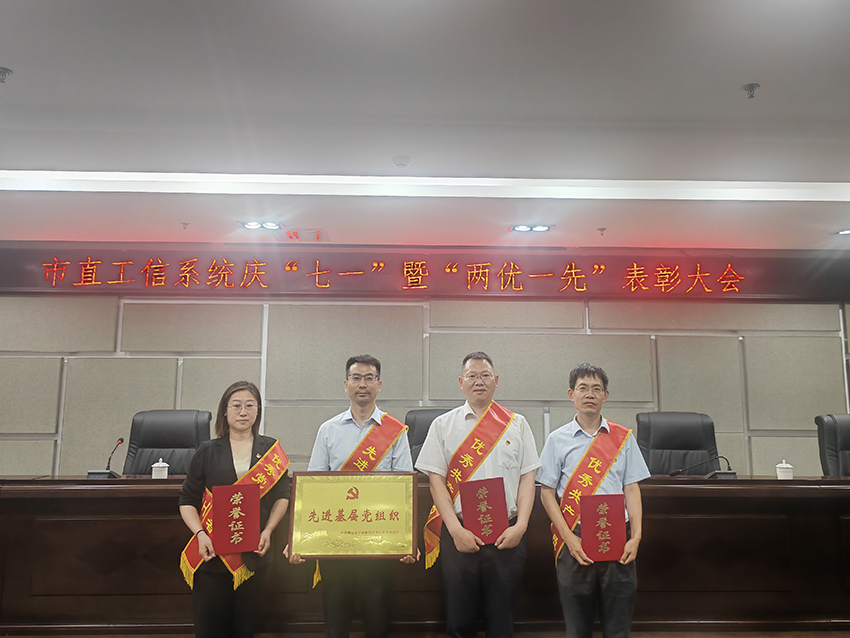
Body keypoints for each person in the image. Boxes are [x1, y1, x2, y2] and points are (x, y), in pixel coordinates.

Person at [286, 354, 416, 638]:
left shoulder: (395, 432)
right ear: (346, 385)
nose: (362, 384)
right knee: (336, 621)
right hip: (336, 542)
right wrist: (299, 539)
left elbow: (405, 488)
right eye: (356, 378)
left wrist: (408, 540)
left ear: (379, 385)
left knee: (377, 620)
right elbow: (313, 488)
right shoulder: (328, 430)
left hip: (379, 541)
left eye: (369, 378)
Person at [415, 351, 540, 638]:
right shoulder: (443, 425)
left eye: (485, 375)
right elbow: (436, 482)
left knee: (502, 623)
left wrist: (521, 526)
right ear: (461, 382)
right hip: (459, 535)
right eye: (472, 376)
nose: (479, 381)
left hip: (507, 535)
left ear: (496, 380)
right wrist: (455, 530)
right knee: (460, 622)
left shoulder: (517, 424)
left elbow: (527, 478)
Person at [536, 363, 650, 638]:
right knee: (577, 628)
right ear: (571, 394)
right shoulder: (557, 440)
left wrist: (636, 536)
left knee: (618, 627)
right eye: (583, 388)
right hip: (574, 539)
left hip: (618, 540)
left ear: (605, 396)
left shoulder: (623, 438)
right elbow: (546, 492)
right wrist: (568, 538)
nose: (590, 394)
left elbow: (631, 488)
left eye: (596, 389)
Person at [179, 380, 291, 638]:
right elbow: (187, 500)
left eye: (250, 406)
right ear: (225, 411)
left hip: (254, 556)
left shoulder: (271, 450)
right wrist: (200, 534)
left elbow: (282, 497)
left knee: (246, 629)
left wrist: (268, 530)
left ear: (258, 411)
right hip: (213, 556)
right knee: (211, 629)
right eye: (236, 406)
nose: (243, 412)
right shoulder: (207, 451)